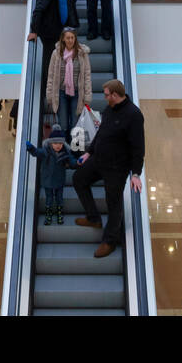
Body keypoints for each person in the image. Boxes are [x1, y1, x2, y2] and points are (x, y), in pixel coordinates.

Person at [72, 78, 144, 259]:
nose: (104, 98)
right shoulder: (109, 109)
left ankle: (110, 241)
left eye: (106, 95)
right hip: (99, 160)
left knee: (114, 203)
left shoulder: (134, 115)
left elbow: (138, 147)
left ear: (114, 95)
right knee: (78, 179)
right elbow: (101, 133)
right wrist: (89, 153)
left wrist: (136, 173)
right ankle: (93, 218)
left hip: (117, 168)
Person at [25, 126, 79, 226]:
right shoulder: (45, 151)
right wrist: (31, 148)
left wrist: (77, 163)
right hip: (48, 181)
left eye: (60, 143)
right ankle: (48, 216)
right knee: (49, 198)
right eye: (55, 143)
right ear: (50, 143)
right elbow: (37, 152)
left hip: (59, 180)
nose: (58, 145)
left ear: (63, 143)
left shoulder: (65, 153)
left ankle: (59, 214)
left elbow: (71, 162)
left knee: (59, 198)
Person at [29, 0, 72, 88]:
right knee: (49, 58)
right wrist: (34, 31)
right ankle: (48, 85)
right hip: (50, 31)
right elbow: (38, 11)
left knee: (56, 55)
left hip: (58, 29)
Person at [46, 28, 92, 140]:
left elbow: (87, 75)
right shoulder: (56, 54)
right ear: (63, 39)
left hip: (77, 93)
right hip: (61, 93)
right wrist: (49, 94)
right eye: (68, 38)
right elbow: (51, 75)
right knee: (63, 124)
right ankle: (64, 149)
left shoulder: (82, 54)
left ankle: (75, 151)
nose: (70, 40)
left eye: (72, 37)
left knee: (75, 125)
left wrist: (87, 96)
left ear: (75, 38)